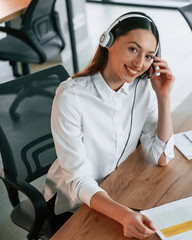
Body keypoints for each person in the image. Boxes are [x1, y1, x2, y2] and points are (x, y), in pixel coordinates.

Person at [44, 12, 175, 239]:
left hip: (118, 189)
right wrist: (124, 215)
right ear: (109, 42)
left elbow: (161, 157)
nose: (139, 63)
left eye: (148, 56)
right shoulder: (71, 96)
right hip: (73, 204)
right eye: (133, 49)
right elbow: (79, 182)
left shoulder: (141, 88)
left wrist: (163, 96)